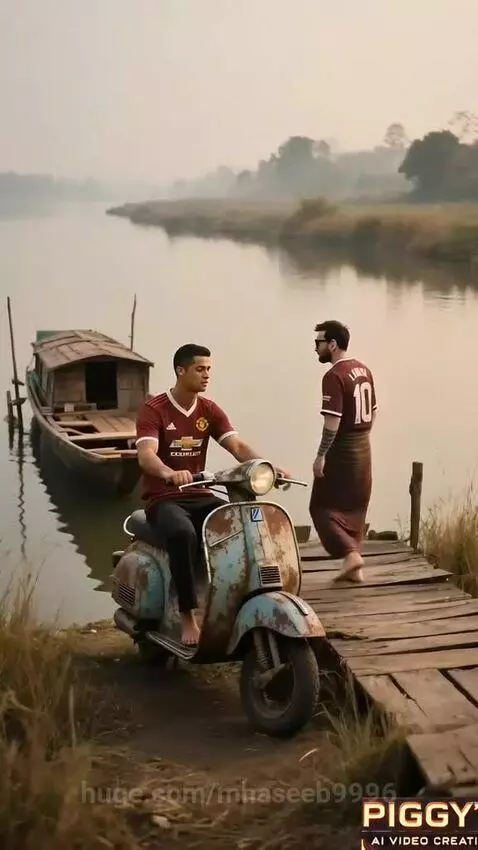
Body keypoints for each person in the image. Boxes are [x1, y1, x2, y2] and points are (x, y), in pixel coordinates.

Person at [135, 343, 289, 646]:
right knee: (182, 533)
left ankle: (233, 595)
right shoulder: (154, 409)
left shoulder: (209, 410)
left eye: (209, 369)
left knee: (239, 522)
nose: (207, 375)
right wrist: (168, 472)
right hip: (163, 497)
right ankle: (187, 615)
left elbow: (237, 446)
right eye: (200, 369)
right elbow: (146, 454)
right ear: (181, 370)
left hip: (199, 492)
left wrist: (268, 467)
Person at [309, 320, 377, 583]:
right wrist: (362, 439)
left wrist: (321, 456)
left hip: (342, 451)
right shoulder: (363, 369)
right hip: (364, 448)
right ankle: (354, 568)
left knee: (320, 507)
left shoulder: (333, 376)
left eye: (318, 342)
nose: (315, 348)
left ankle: (350, 555)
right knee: (356, 510)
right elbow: (373, 412)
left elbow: (332, 423)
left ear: (332, 344)